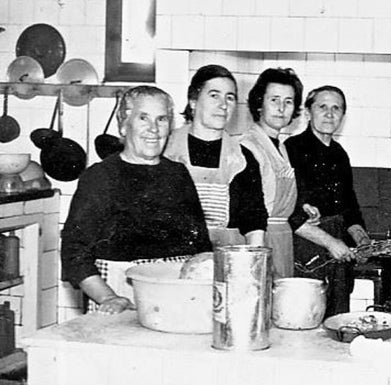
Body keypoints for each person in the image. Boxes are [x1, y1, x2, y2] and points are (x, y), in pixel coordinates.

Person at [61, 86, 212, 315]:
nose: (154, 129)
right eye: (144, 118)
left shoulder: (178, 174)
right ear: (124, 125)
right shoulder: (101, 177)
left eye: (162, 119)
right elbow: (75, 253)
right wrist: (109, 297)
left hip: (177, 292)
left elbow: (201, 246)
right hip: (119, 295)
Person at [285, 85, 371, 317]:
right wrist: (331, 243)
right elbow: (291, 213)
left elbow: (349, 205)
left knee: (337, 316)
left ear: (343, 116)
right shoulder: (292, 149)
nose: (330, 114)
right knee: (307, 315)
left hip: (337, 246)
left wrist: (361, 237)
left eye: (336, 108)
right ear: (307, 112)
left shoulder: (339, 153)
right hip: (308, 247)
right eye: (322, 107)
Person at [164, 64, 267, 248]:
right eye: (214, 95)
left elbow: (254, 220)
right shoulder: (166, 150)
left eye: (230, 98)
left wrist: (253, 261)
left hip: (227, 256)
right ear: (193, 101)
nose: (223, 105)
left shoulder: (243, 158)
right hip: (174, 255)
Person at [241, 67, 319, 278]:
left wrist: (301, 207)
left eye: (288, 101)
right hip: (260, 241)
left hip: (282, 241)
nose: (281, 108)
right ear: (259, 103)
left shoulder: (280, 147)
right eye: (274, 100)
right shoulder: (247, 146)